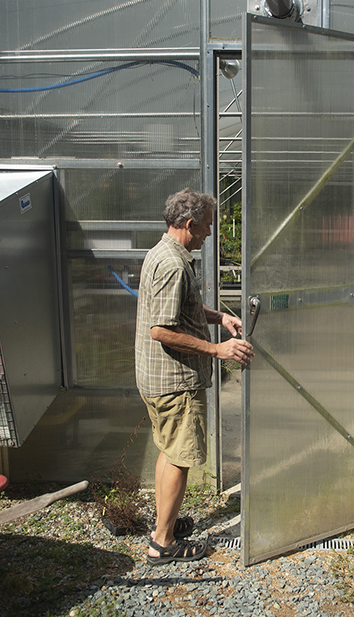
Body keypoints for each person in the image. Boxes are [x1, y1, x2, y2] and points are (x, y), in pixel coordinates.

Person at [134, 188, 253, 565]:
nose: (208, 234)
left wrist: (219, 318)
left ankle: (162, 525)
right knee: (180, 458)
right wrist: (218, 349)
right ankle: (162, 544)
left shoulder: (164, 253)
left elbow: (182, 305)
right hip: (174, 383)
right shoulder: (172, 264)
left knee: (170, 452)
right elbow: (161, 330)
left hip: (157, 379)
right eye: (205, 227)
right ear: (188, 224)